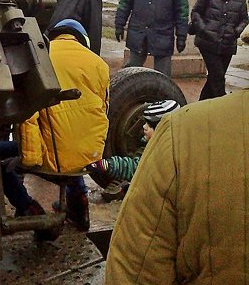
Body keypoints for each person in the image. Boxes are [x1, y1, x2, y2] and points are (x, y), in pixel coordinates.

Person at [105, 92, 249, 284]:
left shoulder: (180, 133)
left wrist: (106, 166)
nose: (143, 128)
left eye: (148, 125)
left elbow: (137, 266)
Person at [0, 19, 109, 232]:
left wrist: (28, 159)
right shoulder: (99, 64)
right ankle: (79, 211)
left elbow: (28, 116)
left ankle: (29, 209)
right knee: (72, 151)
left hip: (52, 153)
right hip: (88, 155)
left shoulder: (42, 58)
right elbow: (103, 112)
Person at [86, 99, 181, 193]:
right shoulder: (152, 144)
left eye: (150, 125)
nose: (144, 126)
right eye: (145, 122)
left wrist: (108, 165)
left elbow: (136, 168)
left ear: (163, 130)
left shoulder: (166, 152)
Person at [188, 0, 248, 100]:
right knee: (218, 77)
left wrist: (236, 32)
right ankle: (223, 103)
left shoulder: (240, 0)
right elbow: (196, 12)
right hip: (207, 42)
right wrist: (203, 29)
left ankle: (201, 104)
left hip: (227, 44)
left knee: (214, 78)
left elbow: (244, 19)